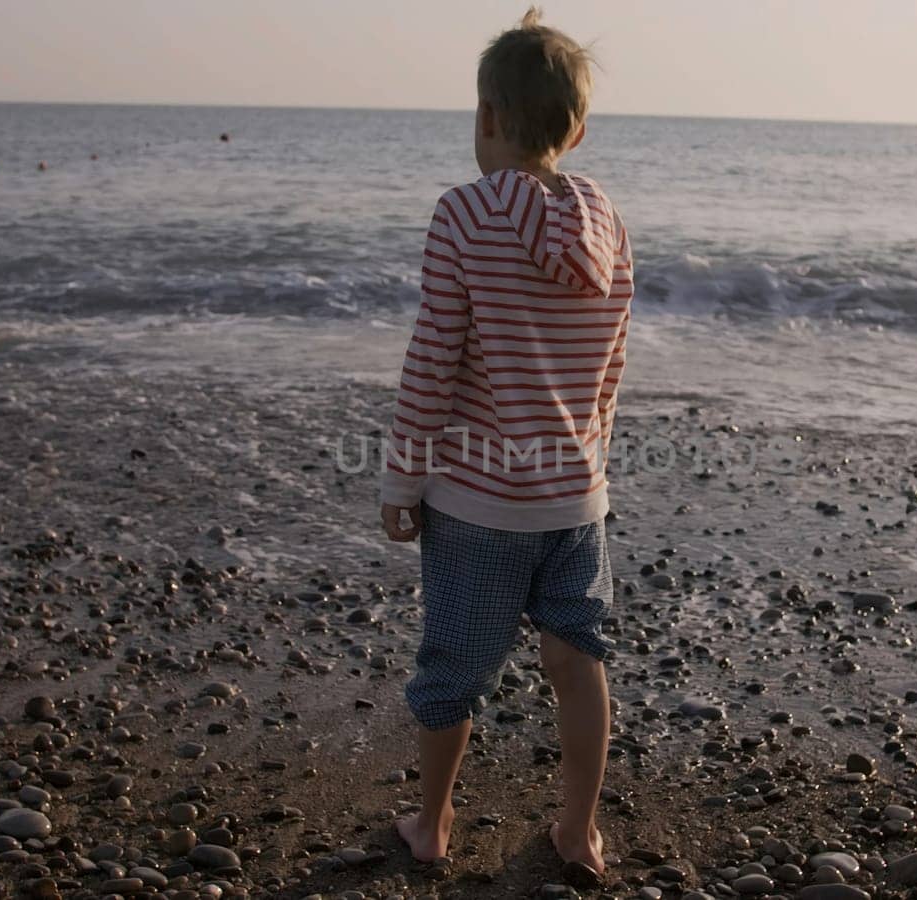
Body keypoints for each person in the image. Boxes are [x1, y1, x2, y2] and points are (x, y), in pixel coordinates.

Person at [379, 6, 634, 883]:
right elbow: (611, 362)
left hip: (481, 504)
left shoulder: (463, 215)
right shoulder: (607, 221)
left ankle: (434, 821)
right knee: (577, 657)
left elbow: (433, 360)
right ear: (579, 128)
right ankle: (577, 831)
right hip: (575, 497)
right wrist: (588, 459)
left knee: (453, 667)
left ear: (488, 117)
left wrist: (402, 479)